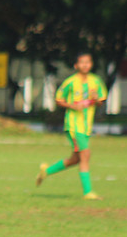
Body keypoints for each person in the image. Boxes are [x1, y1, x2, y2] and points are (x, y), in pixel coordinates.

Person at [36, 51, 107, 200]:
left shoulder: (96, 81)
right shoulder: (70, 82)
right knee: (86, 154)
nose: (85, 65)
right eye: (82, 62)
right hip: (74, 125)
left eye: (88, 62)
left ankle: (46, 171)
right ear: (76, 65)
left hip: (87, 126)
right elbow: (58, 99)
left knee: (76, 159)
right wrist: (72, 106)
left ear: (91, 64)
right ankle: (88, 192)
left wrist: (96, 99)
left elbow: (101, 101)